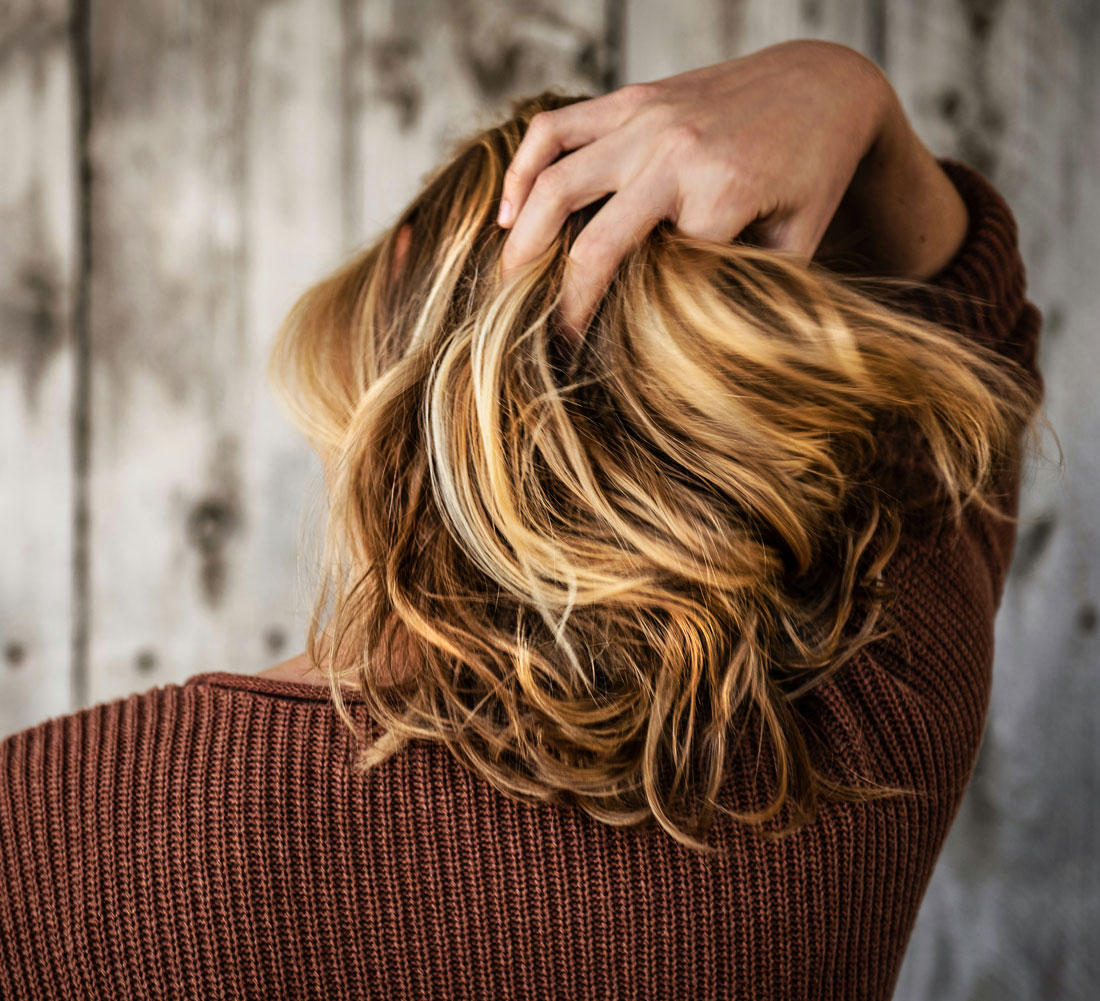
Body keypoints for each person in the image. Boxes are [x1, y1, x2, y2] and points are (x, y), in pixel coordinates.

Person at [0, 38, 1048, 1000]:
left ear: (395, 294)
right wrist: (842, 92)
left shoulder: (47, 824)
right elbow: (974, 338)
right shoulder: (858, 737)